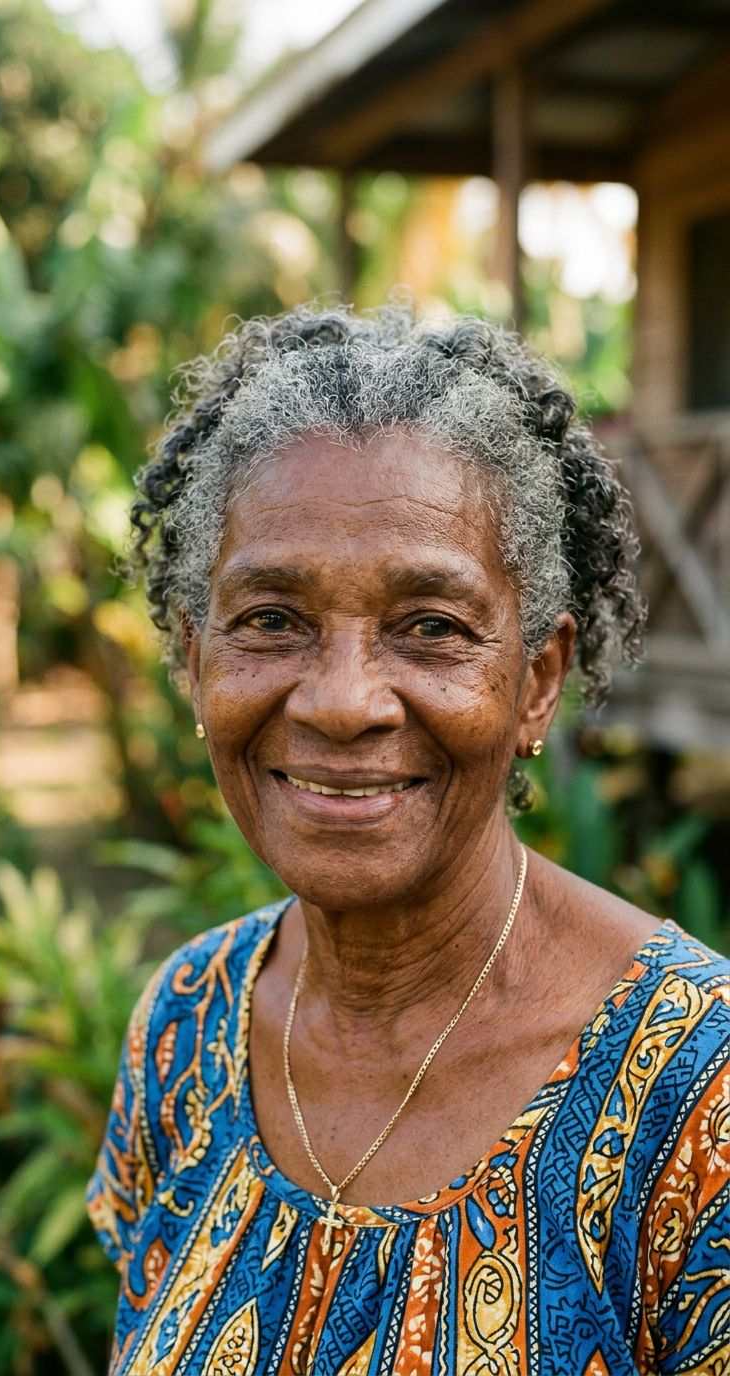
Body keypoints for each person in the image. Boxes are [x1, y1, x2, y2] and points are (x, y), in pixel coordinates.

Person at [87, 303, 729, 1376]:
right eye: (272, 619)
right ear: (196, 660)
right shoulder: (186, 1025)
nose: (343, 702)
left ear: (536, 680)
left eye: (430, 626)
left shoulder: (698, 1100)